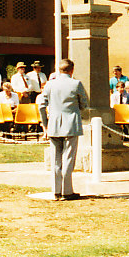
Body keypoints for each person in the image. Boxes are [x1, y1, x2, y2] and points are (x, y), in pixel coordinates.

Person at [39, 59, 87, 201]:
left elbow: (41, 105)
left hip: (53, 124)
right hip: (71, 124)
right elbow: (84, 104)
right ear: (72, 70)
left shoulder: (50, 84)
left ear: (59, 70)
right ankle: (67, 191)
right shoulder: (76, 84)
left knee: (56, 159)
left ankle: (56, 190)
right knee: (68, 158)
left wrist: (45, 123)